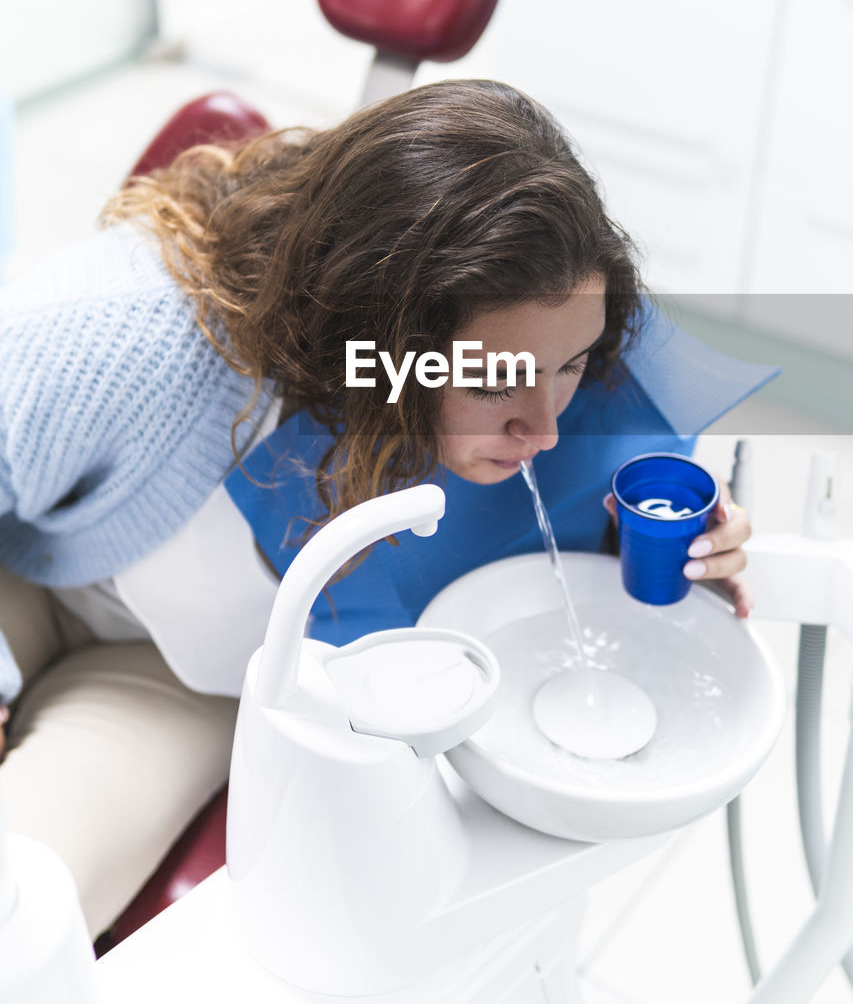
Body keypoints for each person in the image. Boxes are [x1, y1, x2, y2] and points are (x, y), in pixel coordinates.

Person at [0, 78, 765, 940]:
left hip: (177, 683)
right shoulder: (133, 329)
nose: (546, 425)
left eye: (572, 364)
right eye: (492, 382)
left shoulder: (554, 336)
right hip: (26, 580)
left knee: (19, 935)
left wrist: (660, 542)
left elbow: (614, 462)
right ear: (375, 338)